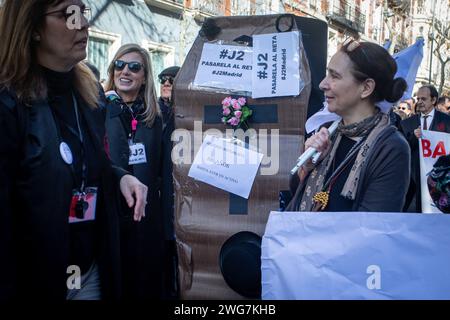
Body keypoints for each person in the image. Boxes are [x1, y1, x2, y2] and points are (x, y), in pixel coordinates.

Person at [0, 0, 148, 301]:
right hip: (32, 281)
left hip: (89, 271)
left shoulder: (91, 95)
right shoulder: (8, 103)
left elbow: (90, 162)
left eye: (83, 12)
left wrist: (118, 176)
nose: (81, 23)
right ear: (33, 28)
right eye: (67, 14)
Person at [287, 38, 410, 212]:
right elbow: (295, 194)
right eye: (327, 74)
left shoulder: (391, 148)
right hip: (302, 237)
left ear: (366, 88)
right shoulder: (328, 130)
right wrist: (306, 167)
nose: (323, 84)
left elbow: (372, 227)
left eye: (334, 76)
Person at [104, 44, 165, 299]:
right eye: (119, 65)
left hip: (146, 218)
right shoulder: (97, 108)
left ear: (144, 77)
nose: (125, 71)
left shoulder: (157, 117)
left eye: (134, 67)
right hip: (109, 213)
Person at [399, 85, 450, 212]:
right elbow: (401, 149)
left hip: (439, 181)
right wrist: (413, 138)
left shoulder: (447, 121)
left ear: (433, 100)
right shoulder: (406, 123)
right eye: (418, 98)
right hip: (412, 182)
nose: (419, 102)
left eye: (424, 99)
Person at [158, 65, 180, 299]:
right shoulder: (151, 111)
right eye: (162, 78)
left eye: (172, 80)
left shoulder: (186, 115)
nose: (166, 82)